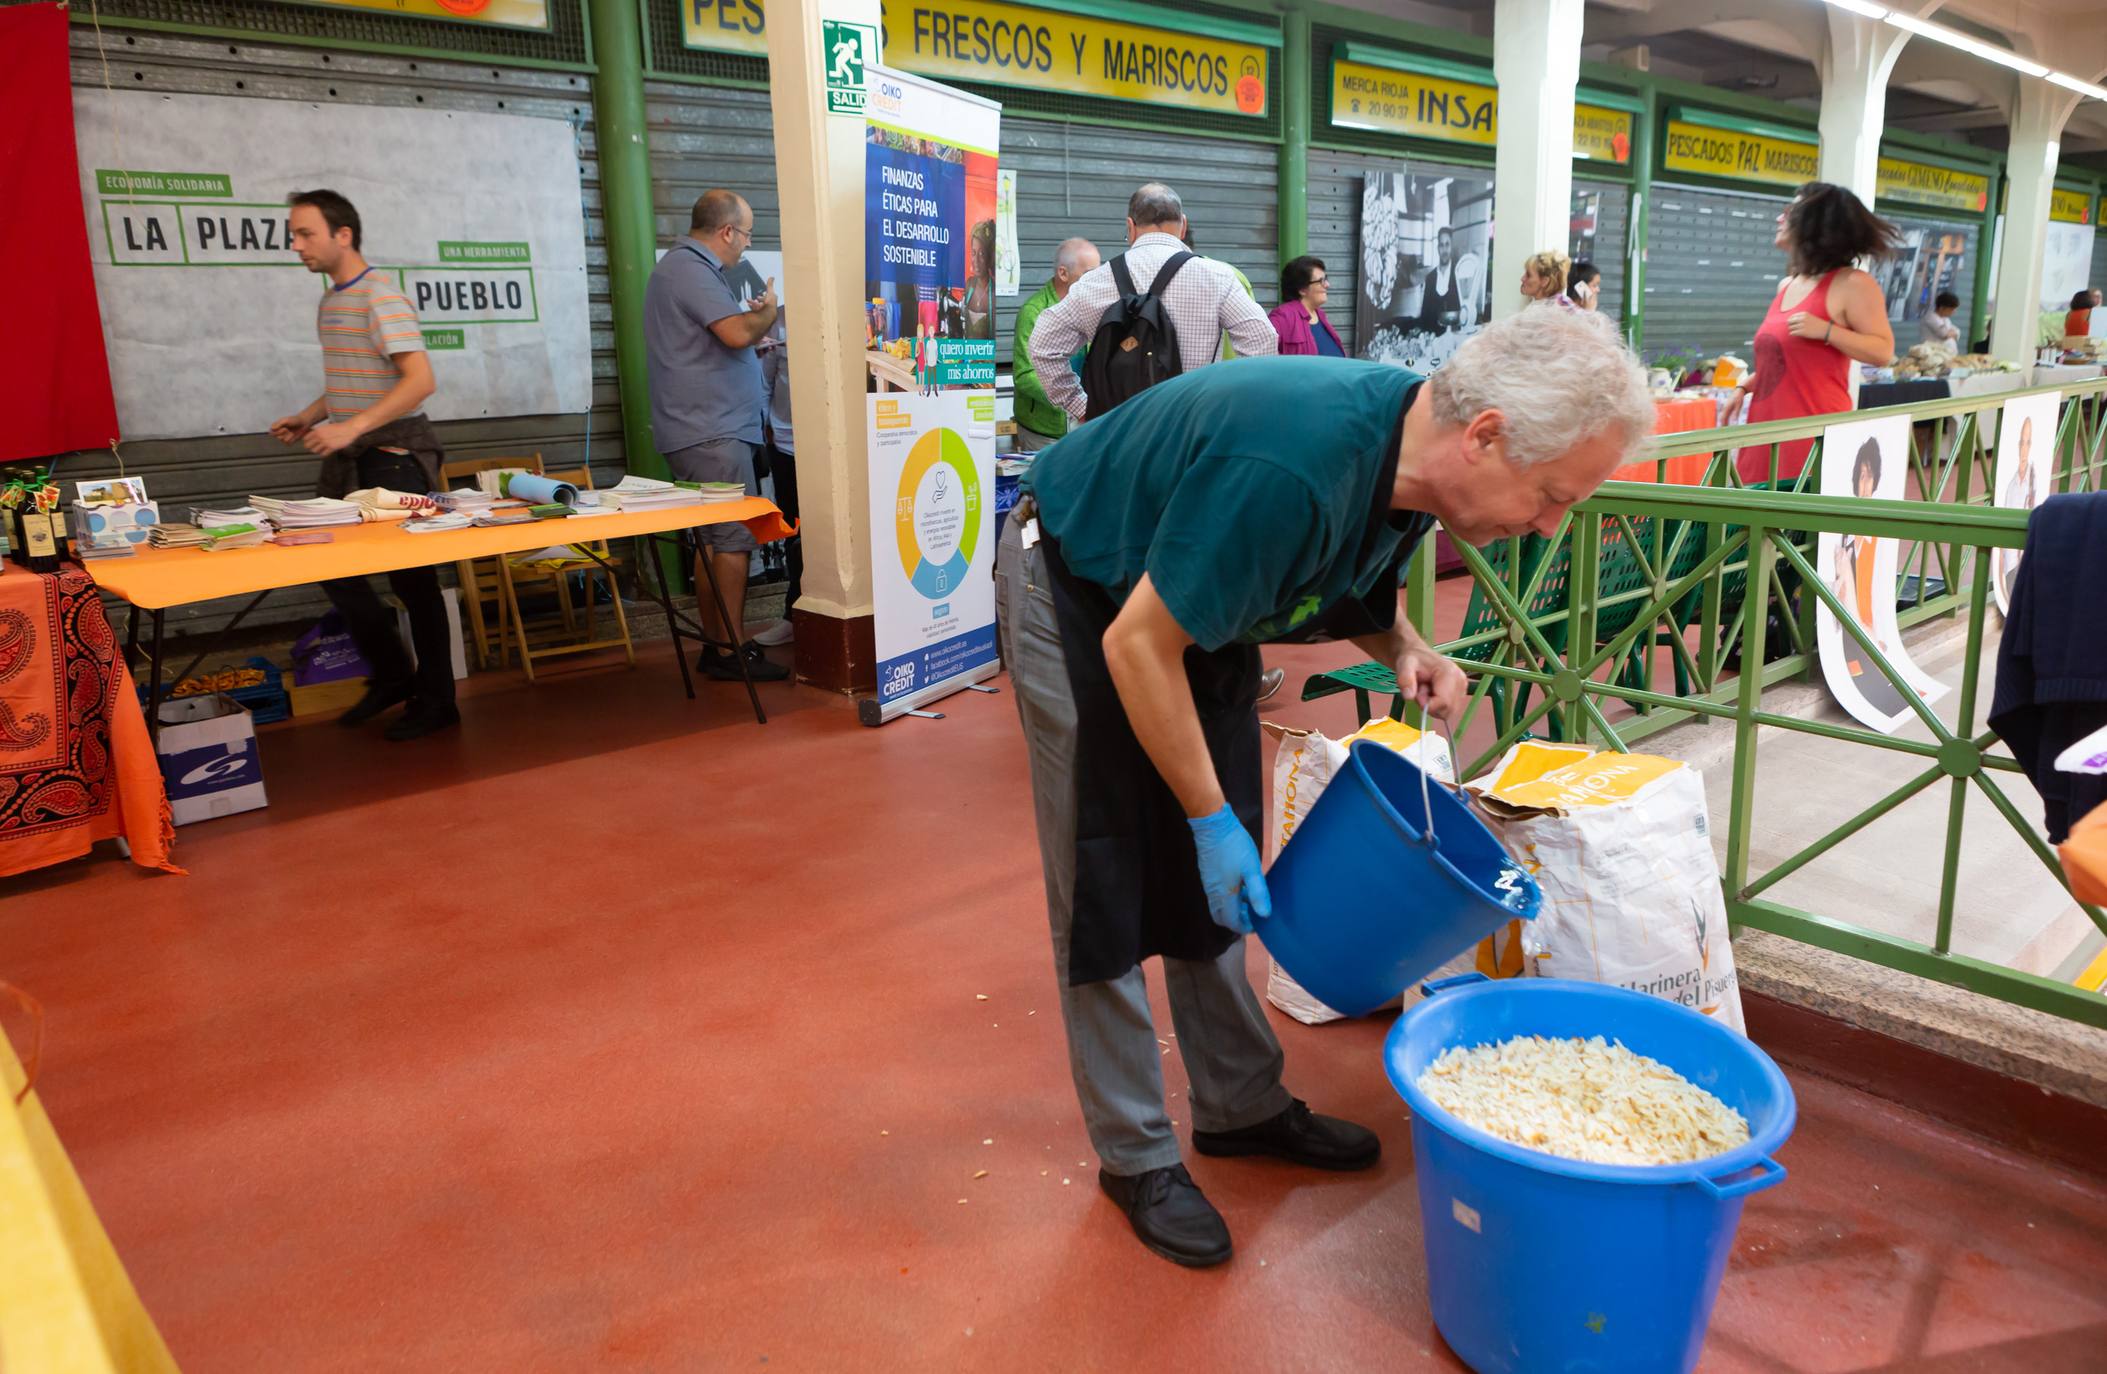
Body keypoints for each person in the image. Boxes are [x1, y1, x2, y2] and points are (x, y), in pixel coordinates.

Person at [996, 305, 1653, 1268]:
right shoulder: (1291, 468)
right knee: (1108, 874)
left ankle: (1238, 1106)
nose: (1546, 524)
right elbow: (1136, 645)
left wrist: (1405, 646)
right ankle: (1135, 1155)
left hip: (1188, 595)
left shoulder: (1409, 455)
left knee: (1218, 881)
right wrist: (1206, 818)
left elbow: (1352, 573)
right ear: (1485, 436)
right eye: (1551, 495)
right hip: (1080, 583)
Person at [271, 189, 457, 742]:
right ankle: (395, 675)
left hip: (395, 459)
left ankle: (439, 701)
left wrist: (352, 428)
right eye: (293, 235)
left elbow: (420, 381)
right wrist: (311, 416)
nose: (295, 245)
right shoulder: (331, 301)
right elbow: (351, 381)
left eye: (305, 233)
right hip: (353, 454)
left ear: (342, 235)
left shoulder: (381, 296)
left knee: (415, 585)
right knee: (334, 569)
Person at [642, 189, 789, 683]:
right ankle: (728, 650)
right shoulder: (691, 267)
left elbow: (717, 343)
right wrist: (767, 311)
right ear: (727, 231)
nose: (746, 245)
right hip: (710, 430)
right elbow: (735, 334)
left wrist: (751, 344)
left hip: (704, 427)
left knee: (714, 541)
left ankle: (716, 643)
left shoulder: (684, 270)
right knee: (731, 541)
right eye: (746, 235)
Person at [1027, 183, 1275, 425]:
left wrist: (1082, 407)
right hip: (1190, 427)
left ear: (1130, 226)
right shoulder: (1217, 277)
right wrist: (1230, 407)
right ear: (1183, 225)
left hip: (1117, 430)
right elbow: (1262, 339)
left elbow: (1043, 348)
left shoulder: (1094, 281)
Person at [1730, 182, 1901, 486]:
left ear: (1816, 224)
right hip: (1764, 436)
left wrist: (1827, 331)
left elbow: (1883, 351)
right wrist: (1745, 386)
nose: (1780, 219)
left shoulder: (1853, 283)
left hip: (1812, 438)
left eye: (1790, 211)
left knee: (1799, 531)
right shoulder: (1787, 285)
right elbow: (1789, 363)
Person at [1011, 237, 1101, 454]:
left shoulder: (1092, 306)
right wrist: (1070, 405)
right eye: (1089, 274)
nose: (1097, 281)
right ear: (1063, 273)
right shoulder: (1033, 311)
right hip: (1044, 433)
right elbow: (1025, 375)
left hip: (1084, 424)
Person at [752, 307, 798, 649]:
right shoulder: (778, 320)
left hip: (837, 448)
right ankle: (793, 615)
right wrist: (765, 426)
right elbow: (766, 381)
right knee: (794, 534)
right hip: (787, 445)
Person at [1267, 256, 1348, 356]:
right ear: (1302, 289)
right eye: (1321, 281)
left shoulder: (1320, 315)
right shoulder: (1283, 316)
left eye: (1326, 279)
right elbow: (1262, 350)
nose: (1327, 284)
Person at [1414, 226, 1463, 335]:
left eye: (1447, 244)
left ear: (1451, 246)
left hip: (1454, 340)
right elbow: (1424, 315)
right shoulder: (1430, 278)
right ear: (1437, 248)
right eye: (1441, 245)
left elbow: (1463, 312)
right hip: (1433, 341)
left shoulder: (1458, 274)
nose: (1444, 250)